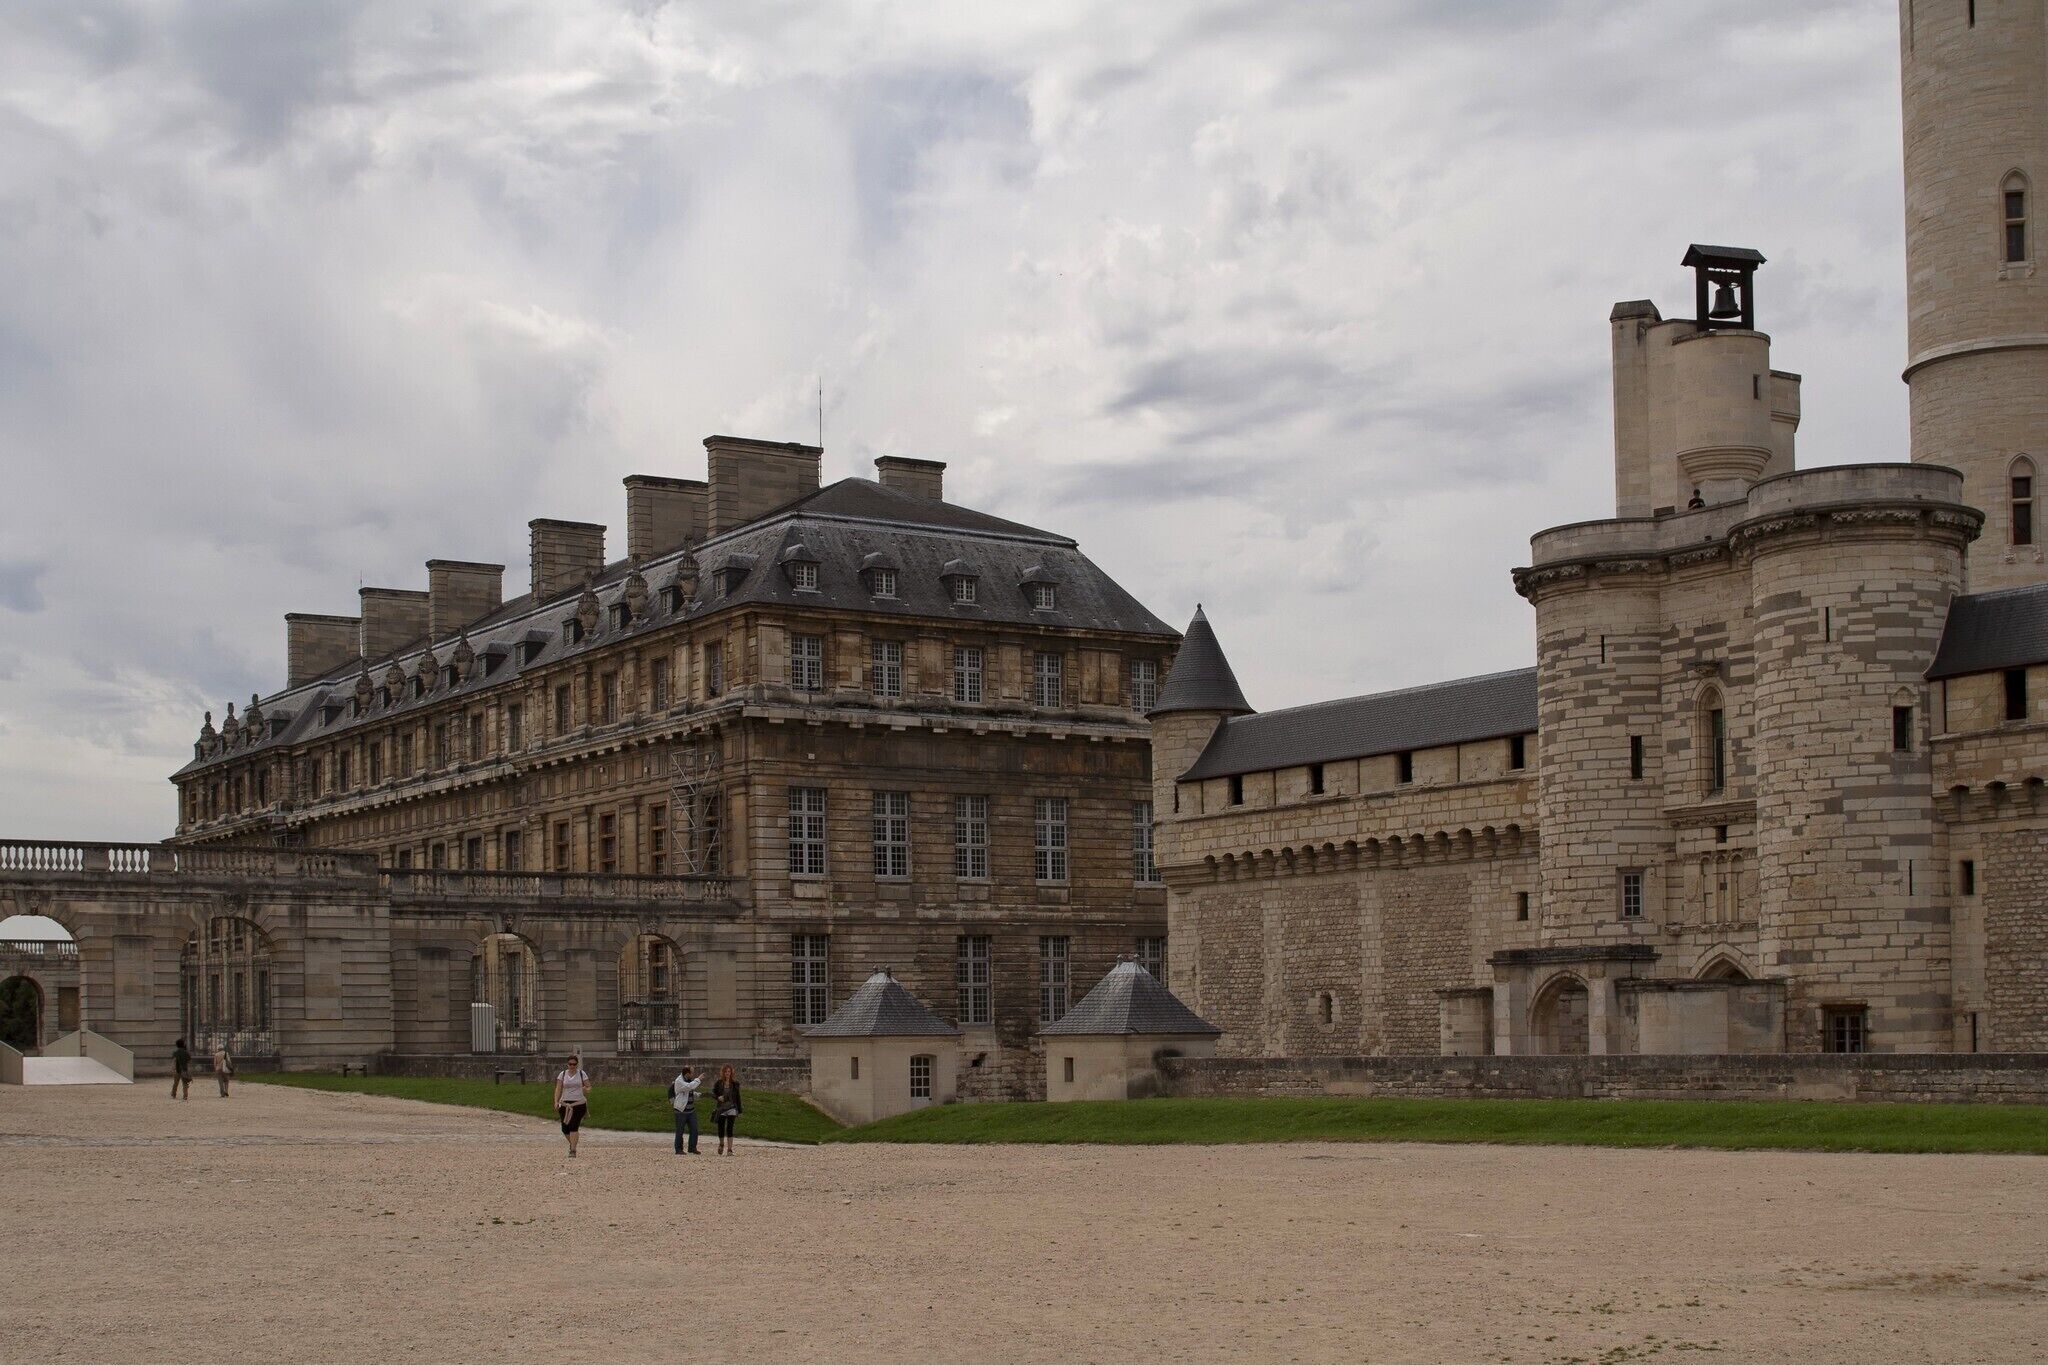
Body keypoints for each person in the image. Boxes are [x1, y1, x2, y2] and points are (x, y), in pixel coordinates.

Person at [552, 1054, 591, 1157]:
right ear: (567, 1064)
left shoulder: (582, 1074)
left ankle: (573, 1150)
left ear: (577, 1065)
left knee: (574, 1125)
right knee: (565, 1128)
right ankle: (573, 1143)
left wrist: (585, 1089)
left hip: (578, 1103)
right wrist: (556, 1101)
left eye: (574, 1064)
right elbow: (558, 1088)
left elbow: (588, 1086)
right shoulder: (562, 1074)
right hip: (565, 1104)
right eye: (570, 1064)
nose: (572, 1066)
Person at [668, 1065, 702, 1155]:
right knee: (680, 1130)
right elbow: (689, 1087)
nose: (693, 1074)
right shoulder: (679, 1081)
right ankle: (678, 1149)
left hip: (691, 1110)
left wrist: (697, 1095)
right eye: (692, 1072)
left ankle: (692, 1147)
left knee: (694, 1129)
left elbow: (688, 1091)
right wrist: (698, 1079)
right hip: (681, 1110)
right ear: (687, 1074)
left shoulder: (688, 1080)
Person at [711, 1064, 742, 1156]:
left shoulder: (735, 1084)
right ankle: (721, 1144)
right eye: (725, 1072)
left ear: (731, 1073)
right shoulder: (719, 1083)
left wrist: (739, 1110)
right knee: (721, 1127)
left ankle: (729, 1149)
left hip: (732, 1107)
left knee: (730, 1128)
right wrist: (718, 1097)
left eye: (729, 1072)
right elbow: (713, 1093)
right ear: (723, 1073)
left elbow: (738, 1097)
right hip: (721, 1108)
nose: (727, 1073)